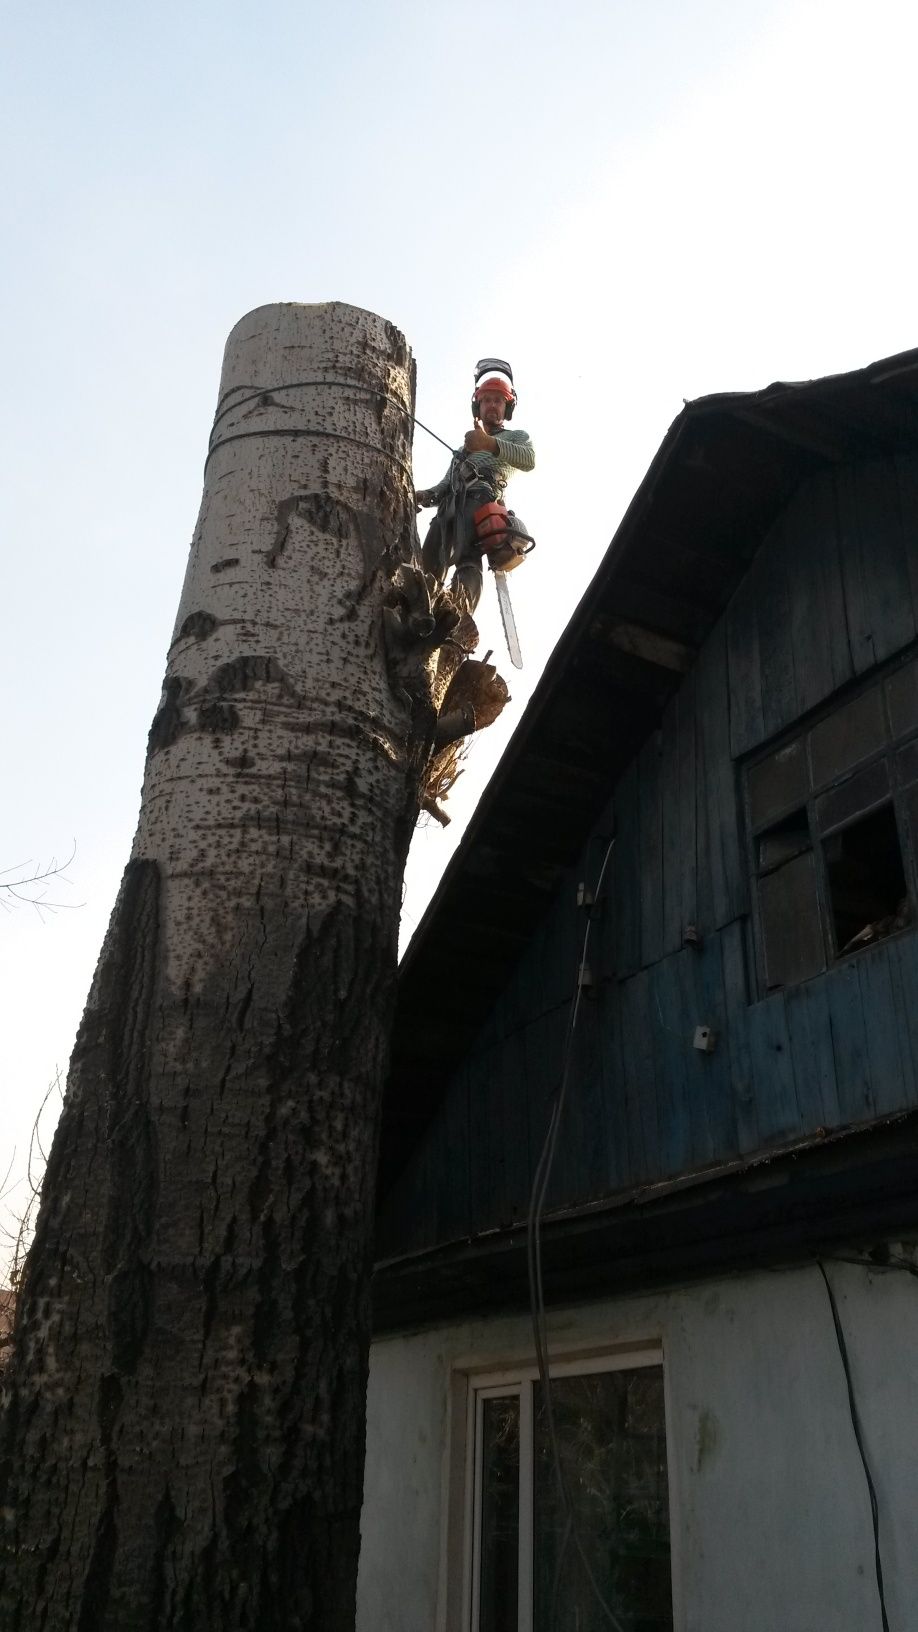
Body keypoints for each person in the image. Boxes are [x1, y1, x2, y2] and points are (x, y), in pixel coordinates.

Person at [416, 363, 535, 613]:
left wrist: (490, 444)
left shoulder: (515, 438)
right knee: (428, 560)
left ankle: (458, 615)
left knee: (467, 556)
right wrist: (427, 495)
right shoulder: (463, 450)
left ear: (507, 408)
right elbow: (446, 484)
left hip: (481, 501)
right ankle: (420, 608)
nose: (492, 405)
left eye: (498, 401)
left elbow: (528, 460)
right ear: (478, 407)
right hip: (450, 506)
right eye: (487, 400)